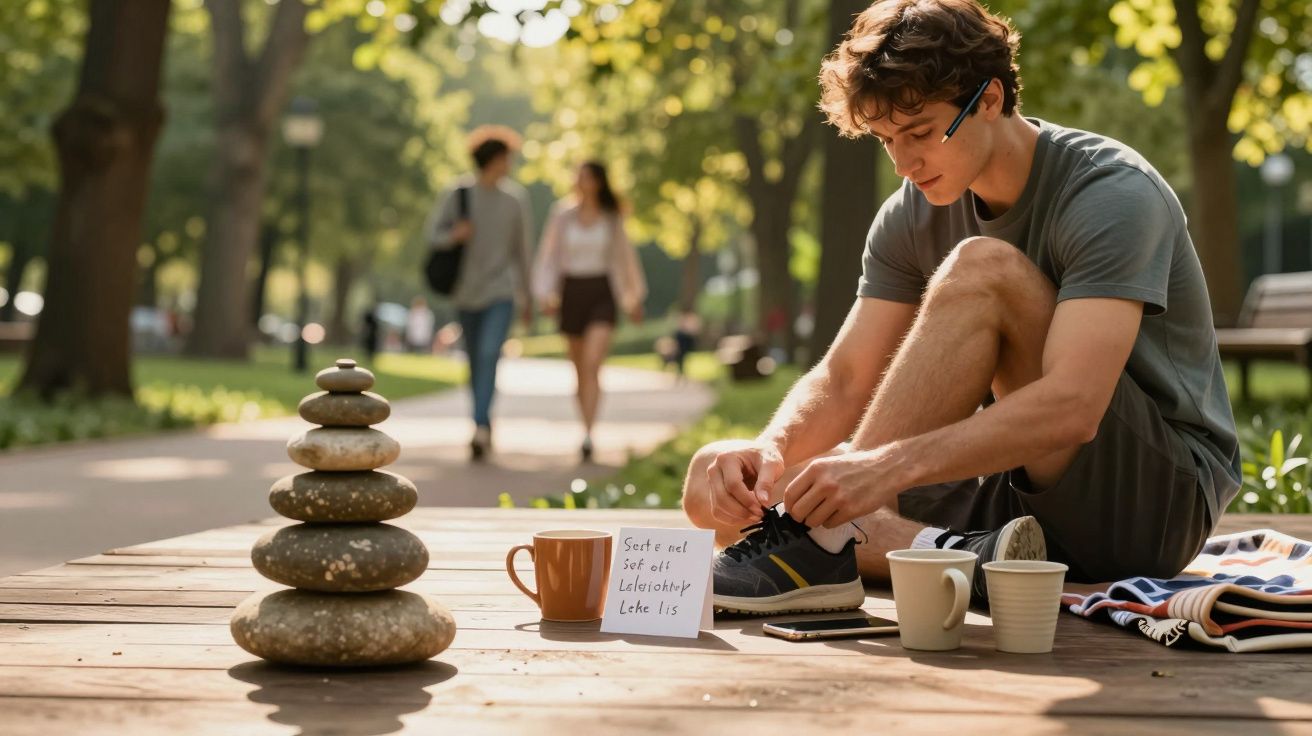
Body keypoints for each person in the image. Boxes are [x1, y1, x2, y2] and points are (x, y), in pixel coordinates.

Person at [681, 0, 1240, 616]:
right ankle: (962, 555)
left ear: (992, 99)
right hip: (1008, 487)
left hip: (1148, 503)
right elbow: (845, 379)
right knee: (723, 492)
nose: (904, 162)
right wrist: (770, 451)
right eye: (886, 140)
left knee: (983, 269)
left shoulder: (1110, 193)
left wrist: (877, 470)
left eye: (920, 132)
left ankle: (831, 539)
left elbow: (1074, 408)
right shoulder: (910, 211)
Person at [426, 125, 534, 461]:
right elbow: (432, 234)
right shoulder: (458, 193)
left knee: (489, 354)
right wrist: (454, 235)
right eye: (506, 158)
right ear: (492, 159)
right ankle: (481, 421)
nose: (510, 163)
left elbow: (523, 252)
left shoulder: (515, 200)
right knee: (474, 361)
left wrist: (527, 295)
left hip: (500, 291)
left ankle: (481, 426)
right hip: (466, 291)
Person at [533, 161, 647, 462]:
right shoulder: (562, 216)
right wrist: (546, 294)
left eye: (588, 177)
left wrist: (633, 298)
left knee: (593, 363)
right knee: (579, 368)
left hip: (602, 293)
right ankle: (584, 428)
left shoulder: (611, 218)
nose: (582, 182)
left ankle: (589, 432)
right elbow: (550, 257)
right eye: (579, 176)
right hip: (572, 292)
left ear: (598, 182)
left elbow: (625, 259)